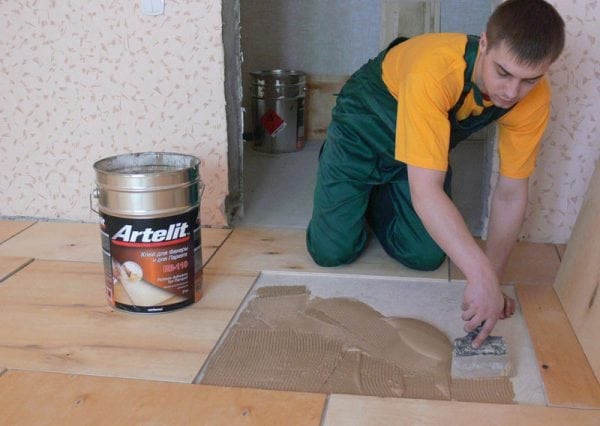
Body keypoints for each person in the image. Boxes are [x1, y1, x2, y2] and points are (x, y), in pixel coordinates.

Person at [306, 0, 565, 348]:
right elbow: (427, 192)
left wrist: (492, 279)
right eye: (503, 73)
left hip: (419, 156)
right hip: (361, 132)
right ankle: (346, 176)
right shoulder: (435, 70)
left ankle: (383, 191)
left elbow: (511, 192)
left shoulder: (533, 99)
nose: (511, 92)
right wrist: (479, 275)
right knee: (331, 251)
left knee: (424, 256)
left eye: (529, 80)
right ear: (485, 43)